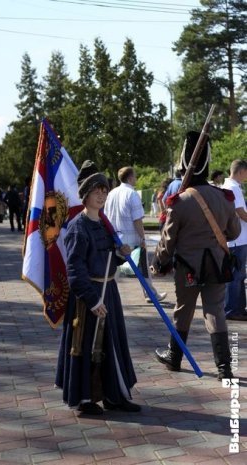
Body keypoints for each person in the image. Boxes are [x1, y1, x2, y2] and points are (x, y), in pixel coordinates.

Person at [151, 131, 241, 380]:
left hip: (187, 266)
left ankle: (175, 357)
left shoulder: (179, 201)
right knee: (215, 311)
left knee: (183, 310)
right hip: (217, 265)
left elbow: (168, 242)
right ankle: (224, 367)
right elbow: (233, 232)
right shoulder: (224, 197)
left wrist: (158, 262)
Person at [55, 160, 140, 415]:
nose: (102, 194)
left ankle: (115, 395)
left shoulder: (104, 225)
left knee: (112, 344)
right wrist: (92, 301)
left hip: (109, 291)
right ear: (85, 195)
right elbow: (74, 270)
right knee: (86, 346)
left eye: (104, 190)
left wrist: (121, 255)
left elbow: (105, 260)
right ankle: (84, 399)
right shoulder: (77, 228)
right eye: (96, 190)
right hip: (87, 300)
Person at [104, 166, 167, 303]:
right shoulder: (132, 194)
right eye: (135, 176)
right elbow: (137, 220)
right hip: (131, 240)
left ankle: (107, 295)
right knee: (144, 268)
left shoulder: (111, 193)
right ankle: (150, 294)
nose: (136, 178)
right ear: (130, 178)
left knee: (113, 269)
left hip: (114, 237)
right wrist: (142, 238)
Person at [222, 159, 247, 321]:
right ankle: (232, 309)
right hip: (237, 239)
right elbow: (240, 211)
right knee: (236, 275)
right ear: (241, 171)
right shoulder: (233, 188)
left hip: (236, 238)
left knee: (238, 275)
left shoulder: (229, 187)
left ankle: (238, 308)